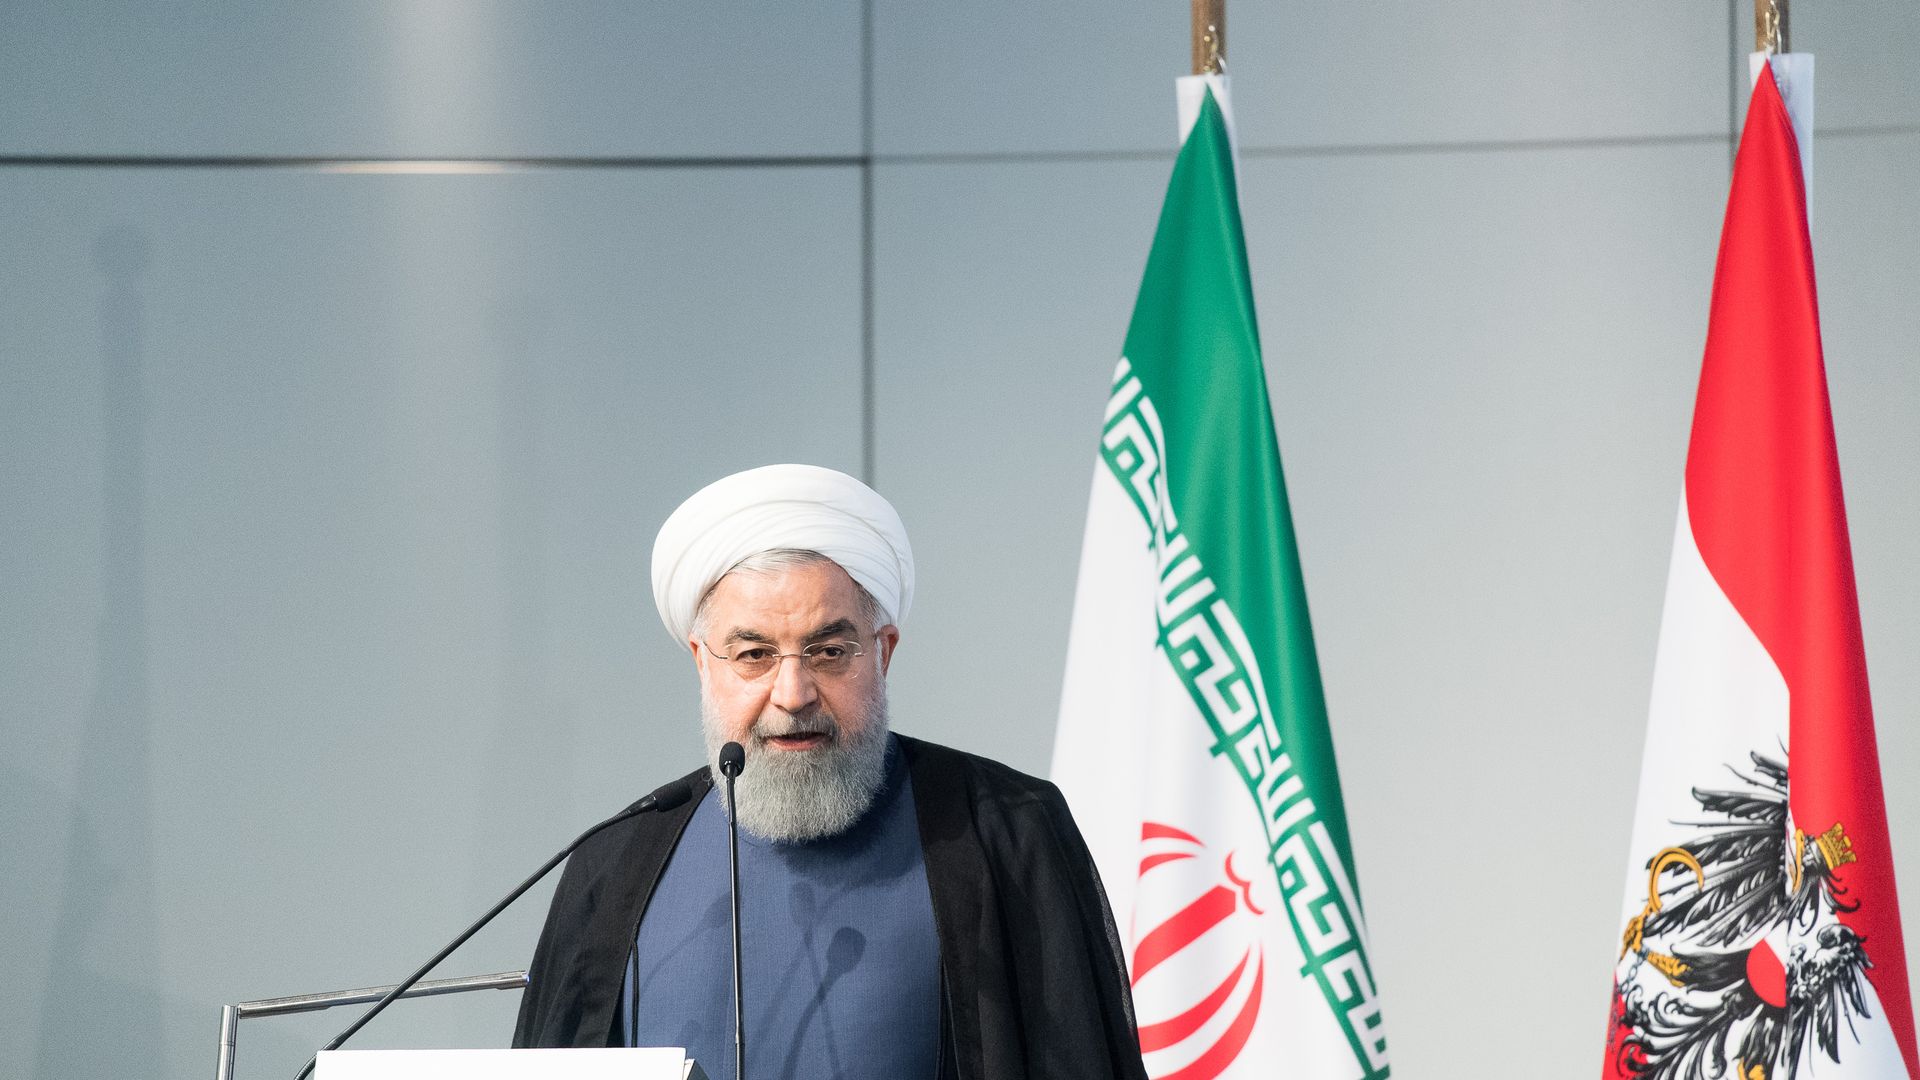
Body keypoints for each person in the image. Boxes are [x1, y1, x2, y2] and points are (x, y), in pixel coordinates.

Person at [513, 464, 1147, 1080]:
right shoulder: (612, 862)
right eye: (754, 654)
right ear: (703, 663)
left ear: (883, 652)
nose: (793, 693)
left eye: (829, 651)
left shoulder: (1008, 829)